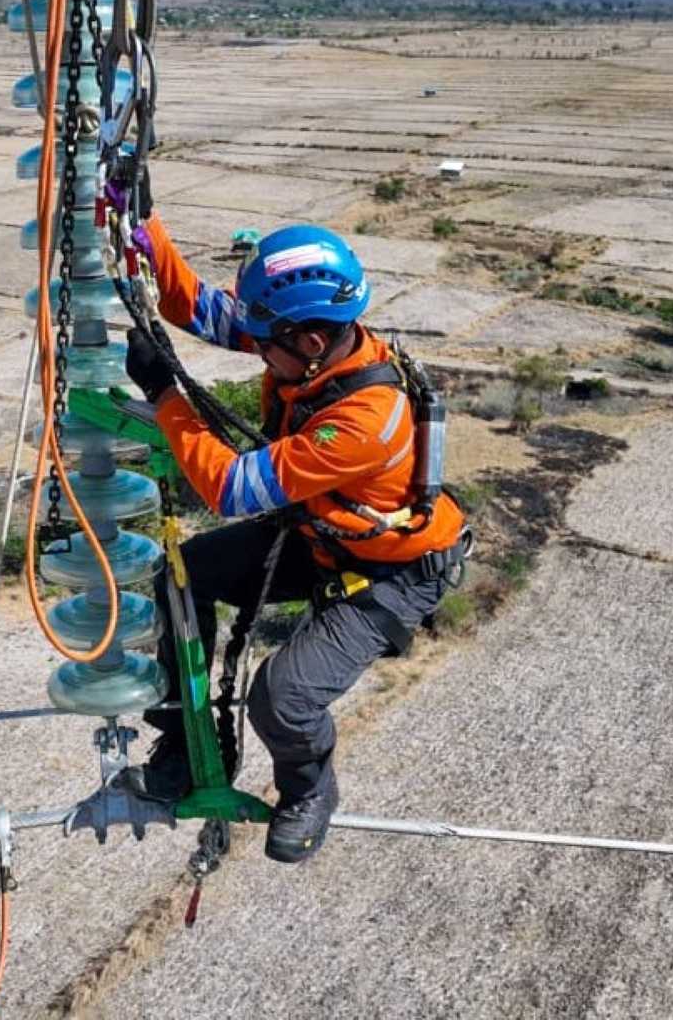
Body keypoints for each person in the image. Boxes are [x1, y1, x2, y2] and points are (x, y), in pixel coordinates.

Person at [123, 218, 468, 864]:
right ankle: (192, 740)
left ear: (309, 339)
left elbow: (228, 486)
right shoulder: (306, 348)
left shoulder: (364, 420)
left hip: (392, 577)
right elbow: (194, 305)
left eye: (264, 338)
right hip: (325, 536)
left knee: (282, 699)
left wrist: (168, 395)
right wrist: (140, 228)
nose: (252, 344)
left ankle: (310, 790)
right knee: (184, 574)